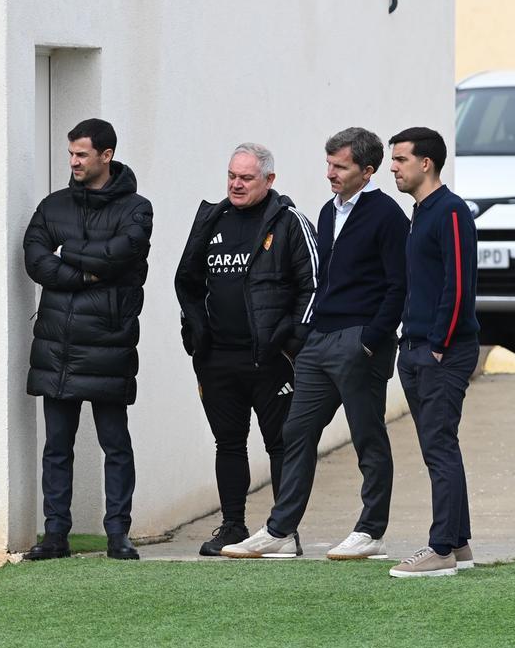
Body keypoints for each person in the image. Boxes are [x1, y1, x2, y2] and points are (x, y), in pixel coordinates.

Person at [222, 127, 409, 560]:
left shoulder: (387, 216)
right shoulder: (327, 212)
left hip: (360, 341)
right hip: (320, 342)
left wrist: (370, 340)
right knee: (295, 432)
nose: (330, 173)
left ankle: (370, 529)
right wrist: (308, 338)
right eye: (328, 164)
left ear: (367, 170)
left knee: (367, 436)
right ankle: (281, 531)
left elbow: (399, 287)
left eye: (340, 166)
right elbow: (322, 280)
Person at [174, 143, 319, 556]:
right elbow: (186, 281)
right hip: (217, 359)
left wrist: (290, 346)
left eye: (246, 178)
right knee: (229, 444)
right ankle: (233, 526)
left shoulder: (290, 222)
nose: (236, 185)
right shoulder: (212, 219)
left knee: (280, 444)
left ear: (269, 180)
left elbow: (312, 287)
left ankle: (281, 531)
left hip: (272, 360)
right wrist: (194, 335)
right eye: (232, 176)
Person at [22, 118, 153, 561]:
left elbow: (122, 257)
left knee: (115, 444)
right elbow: (36, 260)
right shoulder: (51, 205)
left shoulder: (137, 209)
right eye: (71, 154)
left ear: (106, 156)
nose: (73, 162)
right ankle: (55, 535)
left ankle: (118, 534)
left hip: (110, 342)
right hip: (56, 345)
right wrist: (88, 273)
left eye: (81, 154)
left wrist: (68, 257)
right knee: (57, 446)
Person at [386, 126, 479, 577]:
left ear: (426, 163)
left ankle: (440, 548)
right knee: (438, 447)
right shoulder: (420, 213)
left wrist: (440, 344)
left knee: (439, 447)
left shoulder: (451, 212)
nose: (393, 168)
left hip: (443, 351)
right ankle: (458, 543)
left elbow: (458, 286)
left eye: (400, 159)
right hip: (416, 347)